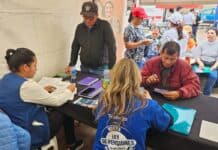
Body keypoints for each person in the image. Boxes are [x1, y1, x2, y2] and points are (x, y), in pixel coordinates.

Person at [0, 48, 78, 149]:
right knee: (65, 110)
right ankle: (72, 144)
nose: (36, 69)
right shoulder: (27, 86)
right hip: (31, 130)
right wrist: (69, 90)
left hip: (15, 124)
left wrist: (41, 90)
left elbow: (19, 96)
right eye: (34, 65)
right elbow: (56, 101)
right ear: (25, 67)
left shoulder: (6, 78)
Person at [93, 58, 171, 150]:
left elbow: (97, 115)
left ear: (113, 77)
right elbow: (167, 122)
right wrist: (151, 101)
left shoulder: (104, 98)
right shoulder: (147, 105)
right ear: (138, 78)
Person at [65, 1, 116, 75]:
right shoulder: (79, 28)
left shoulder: (105, 26)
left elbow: (112, 47)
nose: (87, 20)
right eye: (85, 17)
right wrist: (71, 64)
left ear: (97, 15)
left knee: (101, 87)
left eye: (91, 18)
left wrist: (111, 67)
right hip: (84, 68)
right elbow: (75, 47)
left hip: (101, 68)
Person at [193, 28, 218, 95]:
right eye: (208, 33)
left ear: (216, 35)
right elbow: (197, 56)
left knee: (213, 76)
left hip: (213, 65)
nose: (209, 34)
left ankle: (206, 94)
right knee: (193, 75)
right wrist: (200, 63)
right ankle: (194, 91)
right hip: (201, 63)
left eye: (212, 33)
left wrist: (213, 67)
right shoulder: (202, 43)